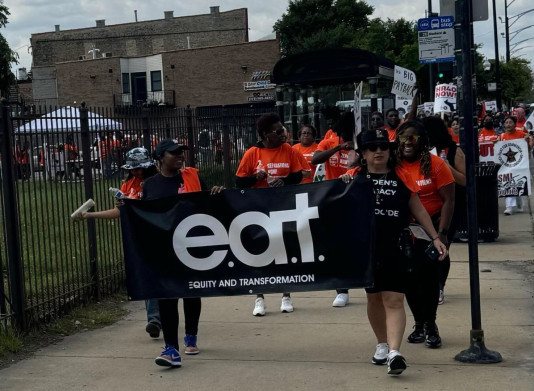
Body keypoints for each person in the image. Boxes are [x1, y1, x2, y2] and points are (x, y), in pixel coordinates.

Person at [340, 128, 447, 376]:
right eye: (372, 148)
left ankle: (394, 353)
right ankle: (382, 343)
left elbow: (418, 209)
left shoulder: (402, 175)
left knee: (394, 299)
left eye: (384, 147)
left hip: (397, 248)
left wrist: (435, 238)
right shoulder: (353, 177)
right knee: (374, 298)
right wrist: (343, 184)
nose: (379, 151)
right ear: (363, 154)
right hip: (367, 250)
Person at [143, 139, 224, 367]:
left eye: (181, 153)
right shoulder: (150, 185)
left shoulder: (193, 177)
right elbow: (145, 214)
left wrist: (217, 193)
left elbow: (207, 204)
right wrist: (127, 209)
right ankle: (171, 348)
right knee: (168, 295)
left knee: (191, 291)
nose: (180, 156)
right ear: (160, 157)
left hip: (193, 246)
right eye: (174, 153)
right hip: (166, 248)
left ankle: (191, 335)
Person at [71, 147, 162, 337]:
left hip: (159, 234)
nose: (135, 172)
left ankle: (160, 315)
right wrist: (89, 215)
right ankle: (154, 319)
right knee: (148, 277)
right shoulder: (128, 185)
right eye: (132, 169)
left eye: (138, 168)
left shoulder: (157, 183)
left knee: (160, 276)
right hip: (138, 238)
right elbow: (118, 212)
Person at [235, 113, 306, 316]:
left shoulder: (288, 150)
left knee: (283, 252)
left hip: (283, 207)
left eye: (282, 128)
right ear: (266, 134)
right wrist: (254, 177)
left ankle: (286, 295)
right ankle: (259, 298)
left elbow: (299, 174)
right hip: (258, 210)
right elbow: (239, 181)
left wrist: (284, 180)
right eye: (278, 131)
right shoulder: (252, 153)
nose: (283, 133)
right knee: (260, 254)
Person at [396, 120, 455, 349]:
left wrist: (442, 233)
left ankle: (431, 325)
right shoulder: (395, 165)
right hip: (404, 233)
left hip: (431, 231)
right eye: (403, 137)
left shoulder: (437, 164)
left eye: (413, 137)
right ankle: (419, 324)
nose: (408, 142)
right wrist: (348, 175)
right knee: (410, 281)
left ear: (422, 141)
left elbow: (449, 199)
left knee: (429, 281)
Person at [311, 112, 354, 307]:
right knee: (335, 244)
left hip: (355, 199)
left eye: (349, 132)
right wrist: (338, 147)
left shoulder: (360, 141)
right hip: (333, 199)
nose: (345, 135)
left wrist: (357, 154)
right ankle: (341, 290)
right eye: (342, 132)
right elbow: (315, 160)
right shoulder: (329, 142)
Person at [423, 116, 466, 305]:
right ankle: (427, 284)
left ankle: (439, 286)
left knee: (442, 246)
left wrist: (447, 168)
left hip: (450, 207)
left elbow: (465, 180)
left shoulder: (454, 151)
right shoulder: (422, 151)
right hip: (427, 207)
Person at [499, 116, 534, 215]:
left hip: (520, 163)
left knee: (518, 183)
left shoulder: (522, 135)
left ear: (514, 124)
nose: (508, 124)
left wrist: (527, 141)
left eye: (510, 122)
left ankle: (519, 204)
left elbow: (528, 150)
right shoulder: (501, 136)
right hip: (507, 165)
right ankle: (509, 207)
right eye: (506, 122)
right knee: (508, 183)